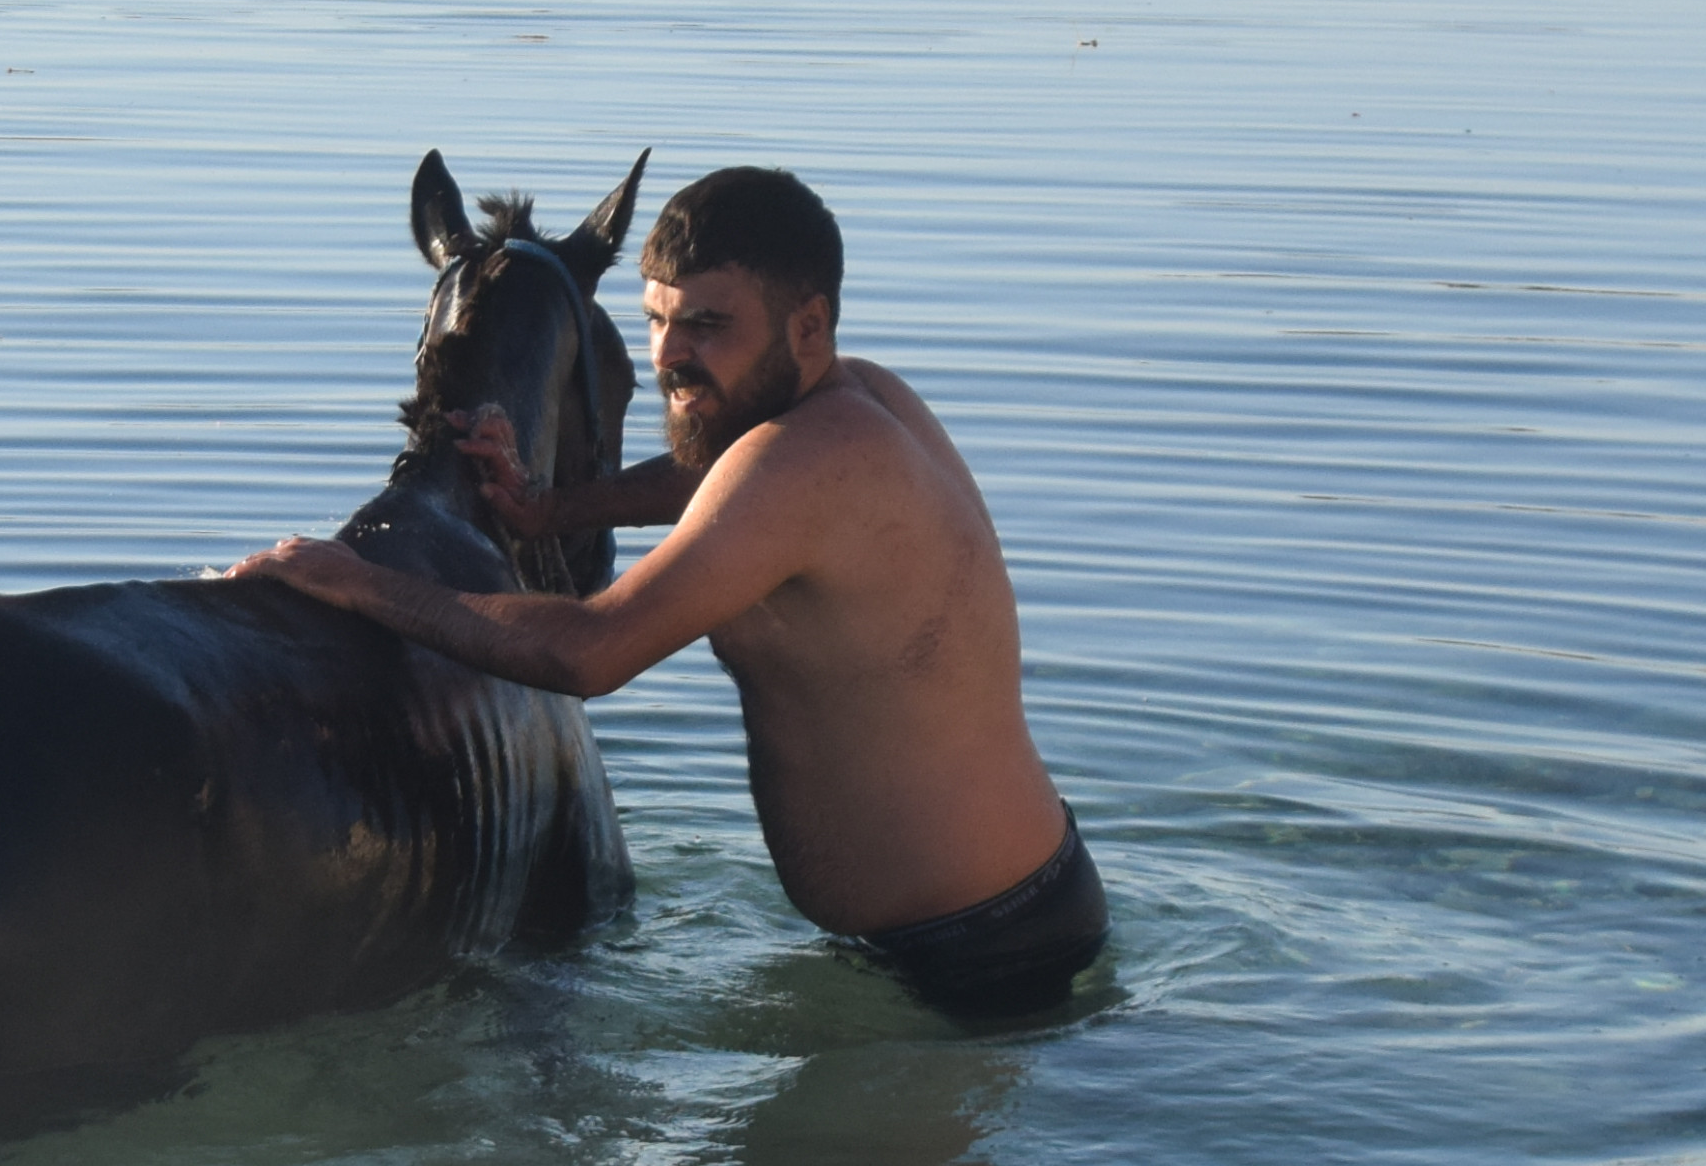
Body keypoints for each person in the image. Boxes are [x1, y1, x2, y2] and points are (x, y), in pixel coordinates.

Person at [230, 166, 1105, 1021]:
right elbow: (713, 480)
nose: (671, 357)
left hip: (981, 953)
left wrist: (357, 583)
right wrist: (549, 510)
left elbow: (589, 651)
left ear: (810, 326)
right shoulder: (857, 401)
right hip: (996, 911)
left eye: (711, 326)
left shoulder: (803, 462)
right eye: (658, 321)